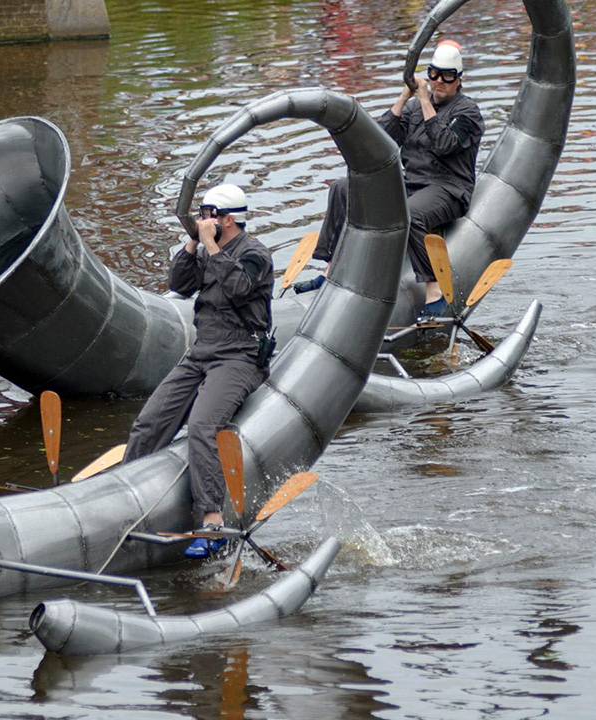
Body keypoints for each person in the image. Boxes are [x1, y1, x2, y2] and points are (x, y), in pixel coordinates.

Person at [123, 183, 274, 558]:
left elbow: (239, 287)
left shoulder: (256, 254)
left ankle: (211, 521)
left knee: (203, 427)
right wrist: (192, 244)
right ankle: (122, 493)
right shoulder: (208, 249)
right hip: (202, 350)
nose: (203, 222)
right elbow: (179, 283)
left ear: (226, 220)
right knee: (149, 422)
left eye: (207, 216)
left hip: (239, 355)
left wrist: (210, 246)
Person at [295, 40, 484, 318]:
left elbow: (444, 144)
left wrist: (423, 100)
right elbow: (382, 138)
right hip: (411, 183)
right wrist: (403, 98)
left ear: (459, 79)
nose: (439, 82)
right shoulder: (413, 108)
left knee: (412, 215)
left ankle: (435, 291)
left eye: (447, 76)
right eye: (433, 74)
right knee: (342, 188)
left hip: (449, 187)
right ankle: (330, 268)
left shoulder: (467, 112)